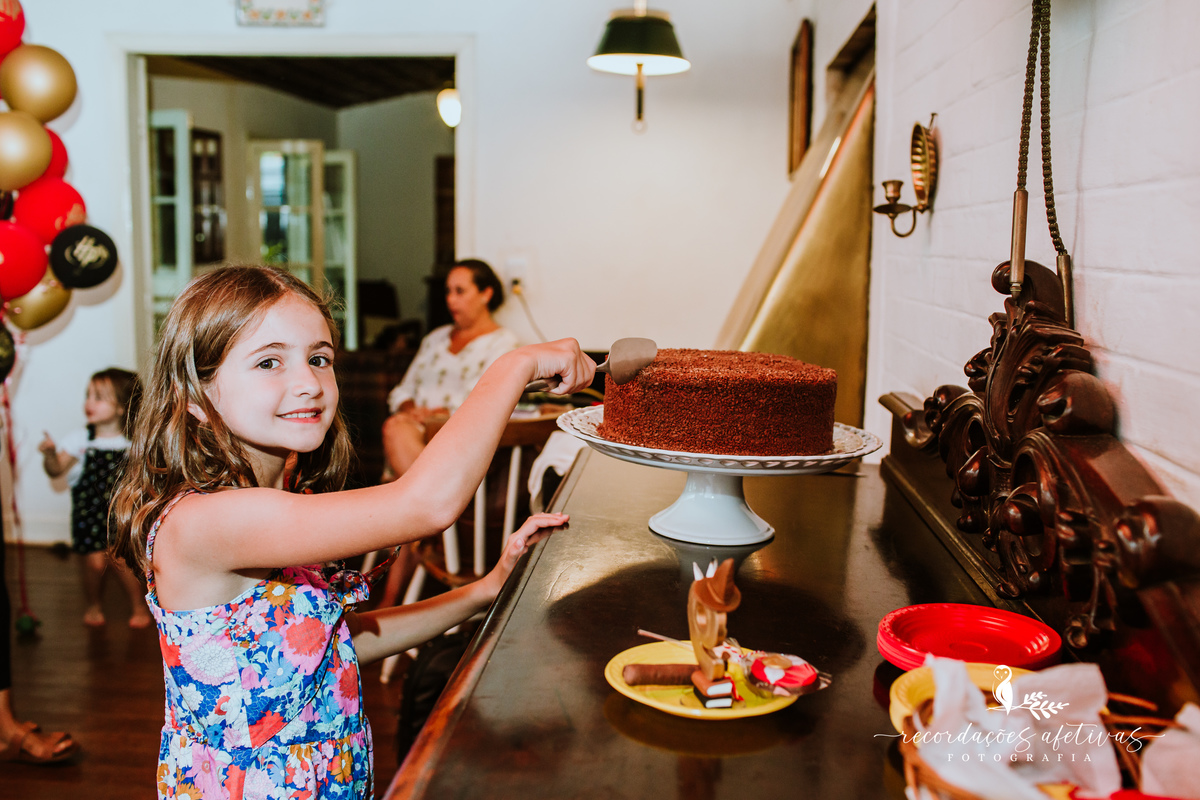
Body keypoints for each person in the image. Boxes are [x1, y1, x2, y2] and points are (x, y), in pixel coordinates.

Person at [108, 265, 593, 799]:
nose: (309, 383)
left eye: (319, 358)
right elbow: (426, 503)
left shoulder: (277, 503)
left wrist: (485, 590)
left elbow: (333, 647)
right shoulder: (207, 521)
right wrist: (516, 364)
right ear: (195, 397)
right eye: (269, 362)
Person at [382, 259, 519, 481]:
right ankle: (436, 495)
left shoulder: (502, 343)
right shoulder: (435, 338)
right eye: (448, 291)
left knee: (395, 428)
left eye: (460, 291)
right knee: (397, 427)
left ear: (486, 294)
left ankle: (422, 493)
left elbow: (486, 399)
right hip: (413, 428)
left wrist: (435, 415)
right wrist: (412, 410)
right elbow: (402, 391)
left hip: (456, 435)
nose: (450, 299)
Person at [39, 368, 151, 629]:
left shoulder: (133, 443)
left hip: (120, 514)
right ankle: (93, 603)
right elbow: (55, 470)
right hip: (87, 515)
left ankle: (138, 604)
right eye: (88, 395)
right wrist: (50, 455)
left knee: (122, 562)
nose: (89, 402)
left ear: (122, 407)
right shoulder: (80, 440)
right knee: (94, 564)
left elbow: (144, 478)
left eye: (99, 397)